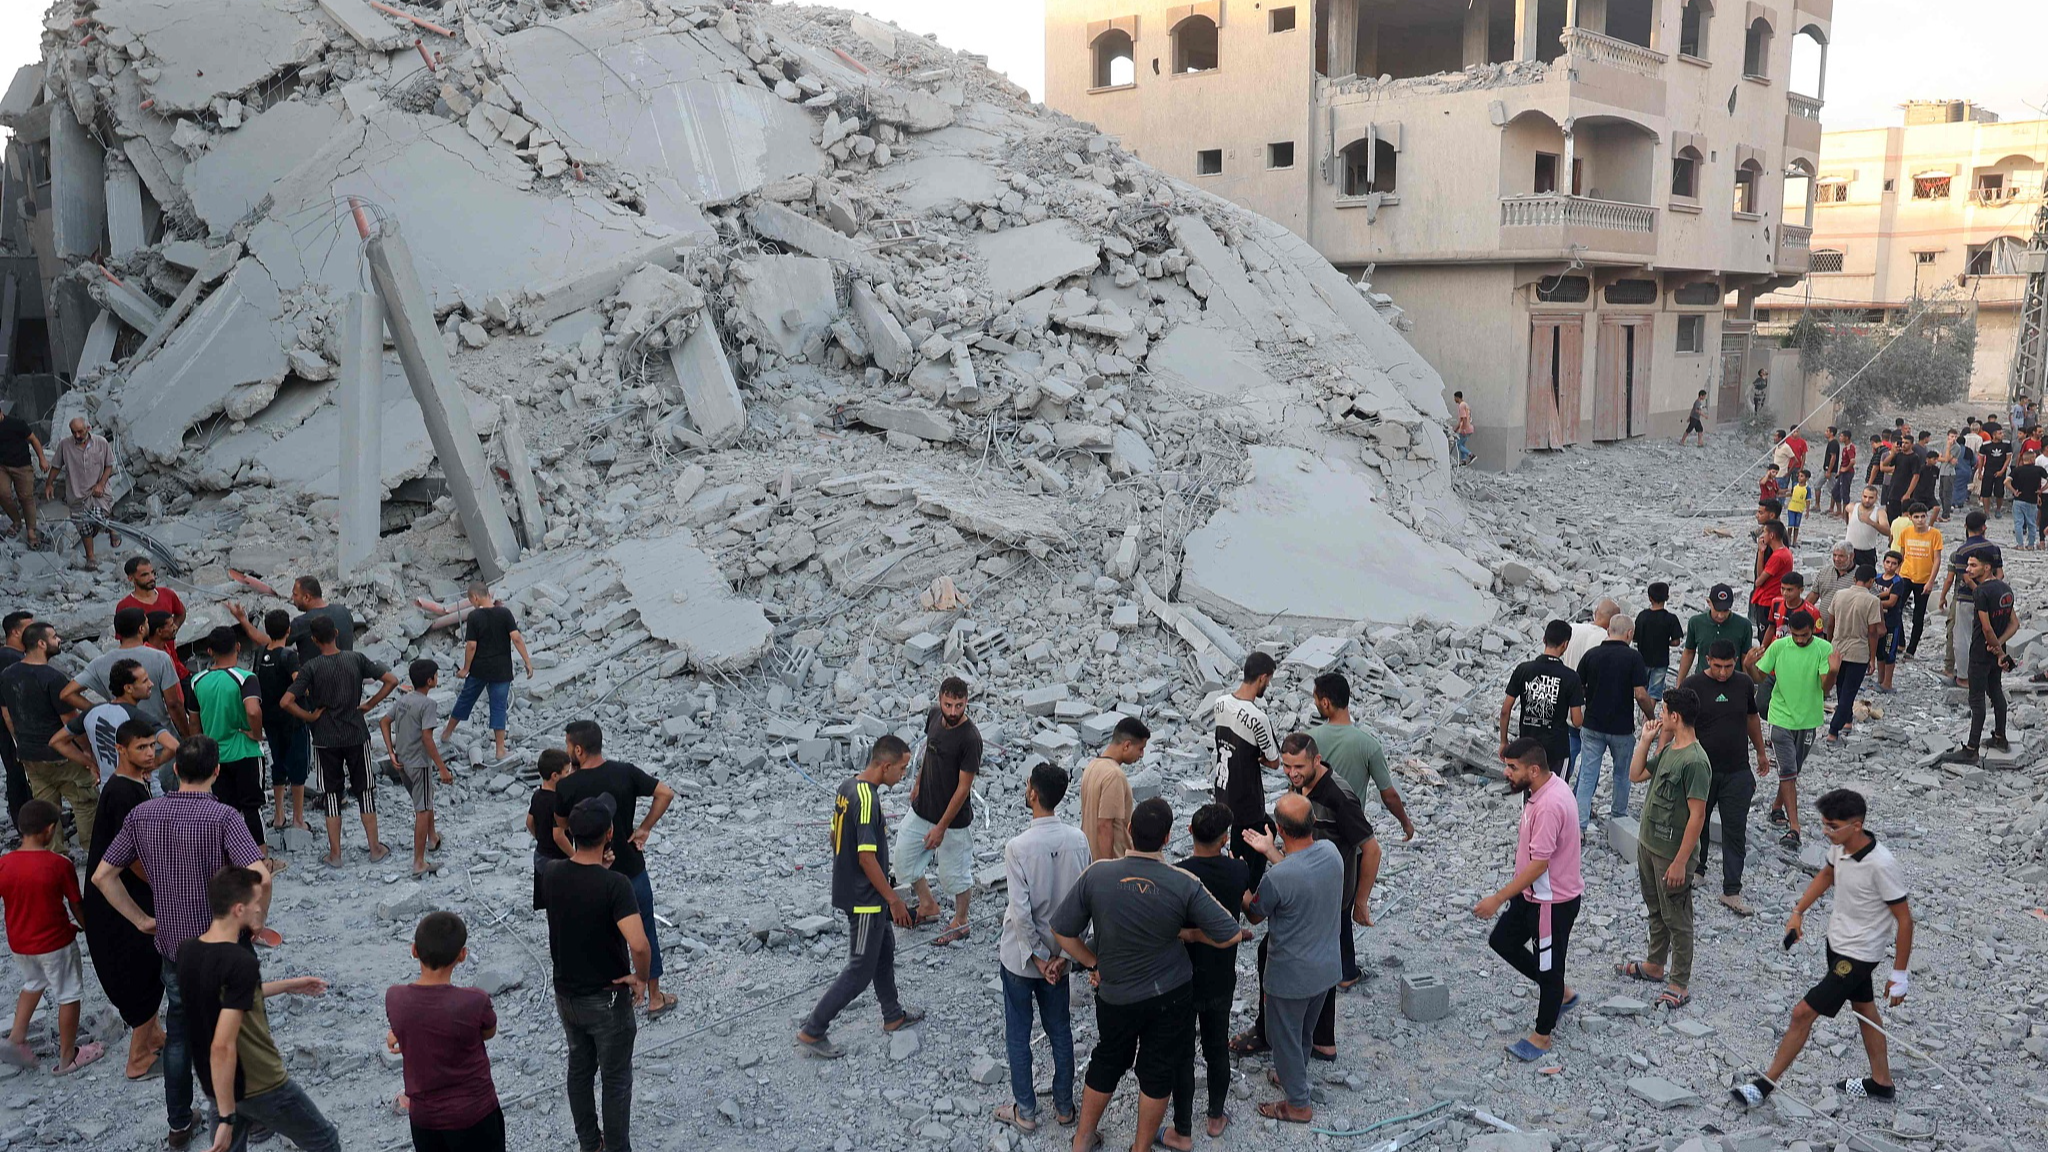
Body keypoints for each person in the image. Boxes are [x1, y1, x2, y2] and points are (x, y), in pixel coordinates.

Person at [93, 737, 271, 1149]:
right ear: (217, 771)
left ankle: (178, 1124)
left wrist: (141, 920)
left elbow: (103, 875)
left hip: (176, 948)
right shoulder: (224, 817)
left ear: (174, 771)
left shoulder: (142, 814)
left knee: (178, 1035)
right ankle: (250, 1117)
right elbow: (260, 875)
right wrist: (257, 921)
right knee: (239, 1032)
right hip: (224, 944)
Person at [1053, 798, 1242, 1152]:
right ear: (1168, 838)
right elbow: (1230, 932)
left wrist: (1094, 963)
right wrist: (1189, 934)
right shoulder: (1182, 881)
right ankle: (1140, 1148)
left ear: (1129, 832)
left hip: (1115, 993)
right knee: (1156, 1071)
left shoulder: (1098, 874)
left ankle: (1081, 1140)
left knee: (1107, 1059)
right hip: (1169, 995)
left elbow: (1063, 931)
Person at [1731, 789, 1912, 1111]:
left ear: (1856, 826)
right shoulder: (1841, 848)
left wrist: (1900, 974)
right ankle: (1882, 1082)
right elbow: (1827, 874)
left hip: (1859, 956)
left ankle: (1764, 1085)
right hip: (1837, 944)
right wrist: (1798, 912)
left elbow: (1904, 920)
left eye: (1832, 826)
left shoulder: (1882, 865)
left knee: (1803, 1013)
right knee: (1864, 1010)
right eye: (1824, 825)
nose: (1826, 832)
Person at [1233, 734, 1374, 1063]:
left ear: (1317, 760)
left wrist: (1361, 901)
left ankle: (1279, 1035)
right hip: (1311, 883)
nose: (1292, 773)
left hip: (1331, 894)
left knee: (1289, 955)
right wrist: (1271, 851)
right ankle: (1320, 1040)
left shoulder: (1339, 795)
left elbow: (1372, 848)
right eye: (1286, 766)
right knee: (1320, 959)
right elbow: (1300, 859)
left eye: (1298, 766)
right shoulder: (1301, 790)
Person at [179, 865, 338, 1152]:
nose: (260, 909)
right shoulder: (241, 963)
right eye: (256, 903)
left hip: (219, 1084)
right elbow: (222, 1045)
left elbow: (232, 999)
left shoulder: (189, 952)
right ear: (239, 909)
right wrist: (227, 1118)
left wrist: (290, 984)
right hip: (261, 1082)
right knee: (325, 1142)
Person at [796, 736, 920, 1058]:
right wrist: (893, 899)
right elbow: (867, 857)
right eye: (902, 769)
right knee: (860, 969)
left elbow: (834, 834)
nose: (903, 775)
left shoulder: (848, 786)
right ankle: (814, 1029)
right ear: (885, 765)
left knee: (885, 951)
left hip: (865, 893)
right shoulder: (868, 801)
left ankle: (892, 1015)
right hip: (866, 899)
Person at [543, 797, 651, 1152]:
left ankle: (591, 1143)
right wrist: (640, 977)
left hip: (567, 996)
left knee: (580, 1068)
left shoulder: (553, 873)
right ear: (609, 834)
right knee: (616, 1079)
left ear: (572, 833)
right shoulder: (615, 885)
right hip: (606, 999)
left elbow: (579, 895)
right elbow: (639, 944)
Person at [553, 720, 677, 1017]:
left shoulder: (567, 786)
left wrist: (575, 857)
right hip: (631, 868)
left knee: (600, 937)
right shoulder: (625, 771)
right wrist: (644, 828)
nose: (567, 750)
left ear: (578, 750)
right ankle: (655, 997)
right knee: (644, 931)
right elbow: (666, 793)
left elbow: (559, 829)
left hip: (591, 875)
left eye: (568, 745)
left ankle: (609, 998)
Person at [1473, 737, 1583, 1061]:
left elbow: (1539, 865)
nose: (1507, 773)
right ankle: (1560, 992)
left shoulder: (1549, 805)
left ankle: (1542, 1035)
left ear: (1533, 769)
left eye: (1513, 768)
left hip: (1551, 903)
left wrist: (1497, 897)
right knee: (1503, 940)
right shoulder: (1543, 789)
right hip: (1531, 896)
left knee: (1550, 967)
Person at [994, 762, 1088, 1134]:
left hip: (1022, 958)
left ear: (1032, 792)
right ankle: (1065, 1107)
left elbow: (1020, 912)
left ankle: (1027, 1111)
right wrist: (1061, 958)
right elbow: (1082, 902)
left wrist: (1036, 956)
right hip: (1061, 956)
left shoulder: (1018, 846)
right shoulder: (1078, 839)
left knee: (1018, 1031)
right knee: (1059, 1030)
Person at [1237, 793, 1341, 1125]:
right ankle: (1293, 1075)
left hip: (1290, 977)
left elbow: (1255, 914)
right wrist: (1270, 852)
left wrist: (1240, 880)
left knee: (1283, 1037)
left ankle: (1298, 1105)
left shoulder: (1278, 878)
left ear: (1280, 829)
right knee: (1304, 1033)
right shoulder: (1331, 853)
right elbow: (1301, 877)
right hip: (1326, 968)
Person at [81, 717, 169, 1078]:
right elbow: (130, 858)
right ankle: (139, 1060)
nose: (150, 754)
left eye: (153, 746)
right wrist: (166, 887)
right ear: (120, 749)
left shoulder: (133, 784)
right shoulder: (121, 792)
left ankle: (155, 1037)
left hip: (127, 895)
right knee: (144, 970)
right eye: (142, 748)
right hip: (119, 902)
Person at [1618, 689, 1711, 1010]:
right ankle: (1655, 964)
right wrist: (1645, 739)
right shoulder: (1672, 748)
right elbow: (1636, 774)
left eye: (1665, 710)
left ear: (1675, 717)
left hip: (1671, 855)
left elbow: (1698, 816)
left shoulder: (1696, 761)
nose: (1660, 714)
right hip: (1649, 845)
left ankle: (1679, 982)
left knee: (1678, 918)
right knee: (1657, 909)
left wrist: (1681, 861)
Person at [281, 614, 397, 866]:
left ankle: (335, 854)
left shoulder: (310, 667)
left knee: (332, 794)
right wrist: (368, 705)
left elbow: (286, 701)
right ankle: (375, 848)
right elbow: (391, 680)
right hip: (356, 731)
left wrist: (310, 717)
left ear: (313, 640)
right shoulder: (355, 659)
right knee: (365, 790)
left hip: (325, 737)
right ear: (336, 633)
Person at [386, 912, 504, 1152]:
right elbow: (488, 1032)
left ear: (414, 950)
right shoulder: (475, 1001)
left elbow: (411, 1025)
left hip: (425, 1120)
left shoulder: (395, 998)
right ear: (462, 955)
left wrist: (403, 1033)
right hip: (476, 1114)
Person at [0, 800, 98, 1073]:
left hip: (20, 943)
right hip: (55, 943)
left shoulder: (4, 864)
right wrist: (90, 928)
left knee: (33, 982)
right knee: (68, 993)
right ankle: (68, 1057)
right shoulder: (59, 864)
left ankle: (16, 1039)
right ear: (50, 830)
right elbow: (75, 903)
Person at [1169, 804, 1247, 1145]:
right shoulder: (1237, 871)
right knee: (1216, 1047)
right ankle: (1215, 1116)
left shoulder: (1178, 873)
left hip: (1183, 974)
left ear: (1190, 831)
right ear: (1225, 838)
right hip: (1220, 973)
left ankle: (1182, 1125)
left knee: (1183, 1052)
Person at [1681, 641, 1770, 915]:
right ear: (1707, 660)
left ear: (1735, 662)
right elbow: (1681, 725)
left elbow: (1752, 718)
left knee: (1735, 830)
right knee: (1697, 822)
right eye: (1717, 666)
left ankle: (1732, 889)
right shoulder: (1693, 685)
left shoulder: (1743, 684)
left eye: (1728, 666)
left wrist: (1761, 753)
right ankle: (1697, 869)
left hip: (1737, 770)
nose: (1722, 673)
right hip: (1702, 770)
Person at [896, 676, 983, 945]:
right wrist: (918, 782)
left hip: (953, 822)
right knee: (903, 861)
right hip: (923, 808)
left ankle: (961, 921)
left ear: (966, 701)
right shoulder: (934, 716)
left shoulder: (970, 739)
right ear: (939, 701)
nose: (954, 711)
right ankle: (928, 905)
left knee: (955, 875)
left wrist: (941, 828)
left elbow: (963, 788)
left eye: (959, 705)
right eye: (948, 704)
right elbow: (928, 752)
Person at [1, 623, 86, 854]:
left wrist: (21, 741)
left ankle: (53, 855)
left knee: (46, 807)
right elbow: (71, 722)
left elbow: (7, 715)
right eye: (54, 636)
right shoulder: (53, 677)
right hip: (61, 755)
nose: (58, 640)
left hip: (30, 755)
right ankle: (94, 852)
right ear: (41, 643)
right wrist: (88, 754)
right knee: (85, 801)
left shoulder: (7, 675)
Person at [1756, 610, 1834, 851]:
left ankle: (1776, 808)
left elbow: (1826, 688)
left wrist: (1833, 672)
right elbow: (1759, 676)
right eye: (1796, 635)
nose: (1800, 640)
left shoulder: (1823, 649)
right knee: (1788, 769)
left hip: (1809, 719)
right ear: (1789, 630)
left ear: (1814, 630)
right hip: (1780, 718)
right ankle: (1795, 828)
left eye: (1805, 635)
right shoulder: (1779, 647)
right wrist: (1749, 664)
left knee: (1793, 770)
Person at [1308, 672, 1415, 842]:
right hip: (1349, 836)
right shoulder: (1369, 745)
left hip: (1312, 837)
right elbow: (1389, 795)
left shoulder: (1307, 740)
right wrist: (1406, 824)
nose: (1315, 704)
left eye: (1316, 700)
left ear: (1326, 702)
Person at [1574, 614, 1653, 830]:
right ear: (1629, 634)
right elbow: (1641, 694)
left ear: (1608, 630)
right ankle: (1618, 820)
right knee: (1621, 774)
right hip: (1621, 728)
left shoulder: (1591, 655)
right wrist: (1651, 715)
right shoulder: (1633, 658)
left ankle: (1579, 826)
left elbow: (1578, 687)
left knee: (1588, 775)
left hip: (1592, 725)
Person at [438, 583, 532, 765]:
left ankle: (447, 733)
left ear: (474, 597)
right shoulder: (504, 613)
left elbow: (471, 645)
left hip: (479, 670)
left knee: (465, 700)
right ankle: (500, 750)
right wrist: (527, 661)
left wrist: (465, 668)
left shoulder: (474, 616)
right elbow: (517, 638)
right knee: (498, 707)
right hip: (502, 670)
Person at [191, 628, 266, 851]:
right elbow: (253, 711)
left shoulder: (197, 680)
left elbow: (194, 723)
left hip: (215, 756)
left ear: (210, 651)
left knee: (225, 809)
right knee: (252, 807)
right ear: (238, 647)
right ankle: (261, 857)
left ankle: (232, 856)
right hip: (245, 751)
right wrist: (255, 733)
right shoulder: (246, 678)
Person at [50, 656, 176, 788]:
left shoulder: (92, 713)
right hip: (140, 787)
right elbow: (173, 746)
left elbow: (57, 741)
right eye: (145, 681)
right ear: (128, 688)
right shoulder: (139, 718)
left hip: (108, 788)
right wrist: (155, 764)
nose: (151, 684)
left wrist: (90, 763)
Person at [1213, 652, 1282, 891]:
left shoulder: (1220, 702)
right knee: (1253, 844)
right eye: (1269, 680)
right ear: (1262, 678)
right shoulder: (1258, 717)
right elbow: (1274, 761)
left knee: (1236, 839)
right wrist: (1258, 757)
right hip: (1247, 797)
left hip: (1223, 788)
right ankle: (1247, 898)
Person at [69, 606, 191, 738]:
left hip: (124, 738)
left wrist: (100, 710)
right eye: (146, 622)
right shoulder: (160, 658)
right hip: (160, 738)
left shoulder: (100, 662)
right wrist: (187, 736)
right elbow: (173, 704)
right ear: (141, 629)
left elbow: (67, 693)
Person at [380, 659, 453, 878]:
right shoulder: (428, 705)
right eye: (436, 676)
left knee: (424, 799)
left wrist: (391, 752)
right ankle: (419, 862)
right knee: (422, 810)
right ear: (430, 680)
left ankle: (432, 838)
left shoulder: (404, 699)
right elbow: (427, 738)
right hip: (419, 763)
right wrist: (442, 768)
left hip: (402, 761)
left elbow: (384, 721)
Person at [1944, 549, 2015, 765]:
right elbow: (2015, 623)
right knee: (1996, 691)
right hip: (1995, 651)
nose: (1968, 569)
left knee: (1976, 700)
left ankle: (1971, 749)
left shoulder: (1981, 593)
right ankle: (2000, 737)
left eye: (1973, 565)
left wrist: (1996, 648)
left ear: (1986, 567)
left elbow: (1985, 628)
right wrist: (2000, 646)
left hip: (1980, 653)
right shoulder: (2006, 589)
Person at [1499, 620, 1584, 776]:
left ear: (1544, 639)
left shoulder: (1523, 669)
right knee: (1556, 795)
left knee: (1530, 796)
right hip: (1557, 749)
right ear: (1565, 645)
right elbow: (1577, 720)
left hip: (1528, 747)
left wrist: (1504, 742)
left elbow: (1505, 710)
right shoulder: (1571, 677)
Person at [250, 610, 309, 831]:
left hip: (270, 719)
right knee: (298, 767)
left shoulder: (260, 652)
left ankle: (278, 815)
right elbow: (298, 681)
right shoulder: (289, 655)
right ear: (288, 630)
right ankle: (298, 818)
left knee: (278, 763)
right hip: (292, 720)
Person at [42, 417, 118, 565]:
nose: (77, 435)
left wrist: (101, 484)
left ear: (88, 428)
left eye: (80, 431)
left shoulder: (101, 443)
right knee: (84, 527)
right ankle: (91, 558)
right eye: (73, 432)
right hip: (77, 494)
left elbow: (109, 465)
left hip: (98, 492)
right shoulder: (65, 445)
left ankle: (111, 528)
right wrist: (49, 483)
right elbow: (56, 466)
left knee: (99, 516)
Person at [1824, 567, 1886, 746]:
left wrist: (1830, 645)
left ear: (1854, 579)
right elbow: (1873, 632)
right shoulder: (1872, 600)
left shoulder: (1839, 595)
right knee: (1849, 694)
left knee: (1841, 688)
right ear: (1871, 581)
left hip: (1837, 649)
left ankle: (1847, 720)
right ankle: (1833, 730)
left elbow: (1830, 623)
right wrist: (1872, 658)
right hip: (1858, 652)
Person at [1937, 512, 1997, 688]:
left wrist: (1942, 596)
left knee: (1960, 635)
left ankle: (1958, 673)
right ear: (1984, 527)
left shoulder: (1960, 552)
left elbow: (1958, 577)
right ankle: (1986, 674)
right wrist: (1991, 592)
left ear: (1965, 526)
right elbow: (1999, 574)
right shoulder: (1994, 549)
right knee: (1986, 633)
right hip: (1990, 598)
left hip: (1965, 598)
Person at [1078, 717, 1148, 861]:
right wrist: (1108, 869)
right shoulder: (1114, 775)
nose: (1141, 755)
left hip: (1090, 862)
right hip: (1112, 864)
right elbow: (1104, 825)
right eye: (1140, 749)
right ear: (1126, 745)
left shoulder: (1092, 766)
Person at [1889, 503, 1943, 657]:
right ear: (1910, 518)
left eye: (1923, 516)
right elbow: (1902, 554)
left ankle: (1911, 650)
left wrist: (1931, 581)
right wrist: (1896, 576)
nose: (1920, 520)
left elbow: (1937, 559)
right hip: (1906, 576)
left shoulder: (1935, 534)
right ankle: (1900, 642)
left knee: (1918, 616)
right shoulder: (1906, 532)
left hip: (1924, 580)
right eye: (1916, 517)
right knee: (1895, 608)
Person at [1676, 584, 1754, 683]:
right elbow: (1689, 653)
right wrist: (1679, 683)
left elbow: (1745, 658)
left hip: (1732, 682)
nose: (1721, 615)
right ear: (1709, 602)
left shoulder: (1744, 625)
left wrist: (1745, 685)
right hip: (1704, 682)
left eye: (1725, 610)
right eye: (1717, 610)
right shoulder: (1696, 623)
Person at [527, 750, 572, 911]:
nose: (570, 774)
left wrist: (540, 838)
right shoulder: (558, 802)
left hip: (540, 856)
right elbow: (558, 836)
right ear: (555, 776)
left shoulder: (537, 795)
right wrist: (575, 856)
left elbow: (529, 822)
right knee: (564, 905)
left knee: (549, 905)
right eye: (567, 772)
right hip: (557, 861)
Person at [0, 400, 47, 549]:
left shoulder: (16, 424)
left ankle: (31, 530)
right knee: (3, 494)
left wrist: (42, 459)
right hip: (3, 466)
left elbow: (33, 440)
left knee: (26, 497)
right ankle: (16, 521)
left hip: (22, 465)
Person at [0, 610, 29, 830]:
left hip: (11, 724)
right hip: (12, 725)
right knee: (19, 770)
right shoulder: (11, 658)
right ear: (16, 632)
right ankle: (25, 820)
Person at [283, 577, 355, 664]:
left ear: (307, 597)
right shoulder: (343, 611)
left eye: (295, 594)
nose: (292, 598)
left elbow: (278, 642)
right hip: (348, 671)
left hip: (317, 675)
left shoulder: (302, 622)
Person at [1635, 584, 1683, 702]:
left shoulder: (1642, 616)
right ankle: (1648, 717)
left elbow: (1634, 638)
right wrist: (1666, 642)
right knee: (1655, 692)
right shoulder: (1671, 618)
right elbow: (1677, 642)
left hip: (1643, 659)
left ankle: (1642, 715)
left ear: (1650, 598)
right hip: (1661, 661)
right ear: (1667, 597)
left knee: (1642, 690)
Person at [1873, 550, 1910, 693]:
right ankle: (1880, 680)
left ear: (1899, 565)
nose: (1890, 566)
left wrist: (1875, 601)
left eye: (1894, 563)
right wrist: (1883, 594)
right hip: (1877, 620)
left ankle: (1887, 683)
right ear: (1883, 562)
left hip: (1892, 622)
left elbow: (1891, 602)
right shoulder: (1876, 578)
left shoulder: (1898, 582)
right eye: (1887, 562)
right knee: (1879, 652)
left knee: (1889, 652)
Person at [1752, 520, 1793, 632]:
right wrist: (1761, 552)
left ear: (1772, 535)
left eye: (1764, 532)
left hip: (1768, 600)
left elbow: (1759, 581)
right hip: (1773, 599)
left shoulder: (1778, 557)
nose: (1762, 535)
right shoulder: (1784, 552)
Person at [1845, 485, 1891, 571]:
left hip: (1867, 552)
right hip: (1850, 550)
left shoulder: (1879, 512)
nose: (1867, 500)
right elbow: (1846, 509)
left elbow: (1887, 531)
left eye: (1871, 498)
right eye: (1865, 497)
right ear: (1861, 495)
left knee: (1867, 578)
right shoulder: (1852, 507)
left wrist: (1871, 522)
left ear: (1876, 498)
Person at [2007, 448, 2046, 549]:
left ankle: (2020, 545)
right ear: (2032, 459)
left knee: (2018, 523)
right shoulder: (2039, 470)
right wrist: (2041, 490)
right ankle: (2031, 545)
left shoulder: (2017, 470)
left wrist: (2014, 491)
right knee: (2031, 523)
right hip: (2032, 500)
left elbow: (2006, 481)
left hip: (2019, 499)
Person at [1809, 544, 1856, 621]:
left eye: (1841, 556)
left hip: (1846, 628)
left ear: (1851, 556)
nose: (1836, 559)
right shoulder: (1824, 571)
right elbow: (1814, 594)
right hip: (1822, 626)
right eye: (1834, 555)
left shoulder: (1860, 575)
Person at [1978, 422, 2012, 517]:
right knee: (1985, 492)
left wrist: (2002, 470)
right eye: (1999, 433)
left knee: (1999, 492)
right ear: (1993, 435)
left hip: (2001, 470)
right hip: (1988, 470)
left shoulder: (2006, 444)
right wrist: (1980, 472)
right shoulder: (1985, 445)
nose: (2002, 435)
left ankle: (1998, 509)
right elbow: (1981, 459)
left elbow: (2008, 458)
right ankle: (1987, 512)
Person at [1831, 429, 1858, 520]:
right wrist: (1840, 472)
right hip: (1843, 473)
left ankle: (1845, 513)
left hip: (1847, 473)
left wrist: (1845, 469)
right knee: (1835, 491)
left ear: (1846, 438)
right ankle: (1839, 510)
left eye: (1842, 436)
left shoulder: (1850, 448)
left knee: (1845, 493)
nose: (1840, 438)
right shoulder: (1845, 448)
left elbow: (1852, 461)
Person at [1786, 469, 1812, 544]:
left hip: (1799, 510)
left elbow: (1808, 500)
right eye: (1799, 476)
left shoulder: (1807, 489)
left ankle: (1794, 541)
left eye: (1802, 476)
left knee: (1796, 526)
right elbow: (1791, 494)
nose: (1799, 478)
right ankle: (1788, 541)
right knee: (1790, 525)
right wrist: (1783, 494)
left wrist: (1807, 511)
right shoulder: (1795, 486)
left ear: (1806, 478)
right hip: (1791, 508)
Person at [1454, 390, 1474, 464]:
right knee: (1462, 444)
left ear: (1457, 397)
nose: (1454, 399)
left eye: (1454, 398)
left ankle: (1471, 455)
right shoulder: (1466, 405)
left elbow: (1463, 418)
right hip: (1469, 428)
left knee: (1458, 445)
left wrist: (1460, 428)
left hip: (1465, 429)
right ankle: (1463, 460)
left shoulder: (1461, 405)